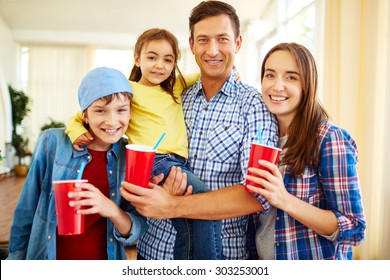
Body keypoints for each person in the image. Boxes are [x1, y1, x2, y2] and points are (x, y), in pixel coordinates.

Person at [120, 0, 278, 260]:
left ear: (238, 43)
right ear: (192, 45)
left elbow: (258, 195)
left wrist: (174, 205)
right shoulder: (175, 96)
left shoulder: (255, 105)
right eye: (203, 40)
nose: (213, 50)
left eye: (223, 39)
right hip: (157, 250)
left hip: (222, 255)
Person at [65, 28, 222, 260]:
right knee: (208, 204)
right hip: (155, 162)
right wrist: (77, 131)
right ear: (137, 58)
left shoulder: (175, 85)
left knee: (186, 224)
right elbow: (80, 114)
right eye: (152, 57)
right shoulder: (130, 90)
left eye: (168, 60)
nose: (159, 65)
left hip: (178, 164)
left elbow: (203, 75)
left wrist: (228, 73)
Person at [7, 67, 146, 260]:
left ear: (130, 112)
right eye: (100, 111)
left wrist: (111, 209)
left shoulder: (131, 155)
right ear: (85, 115)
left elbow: (135, 231)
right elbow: (26, 210)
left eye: (121, 110)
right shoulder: (52, 142)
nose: (112, 121)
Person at [244, 42, 366, 259]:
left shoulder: (329, 139)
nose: (277, 86)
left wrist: (284, 199)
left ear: (307, 85)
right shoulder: (261, 134)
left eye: (291, 77)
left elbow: (354, 228)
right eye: (270, 75)